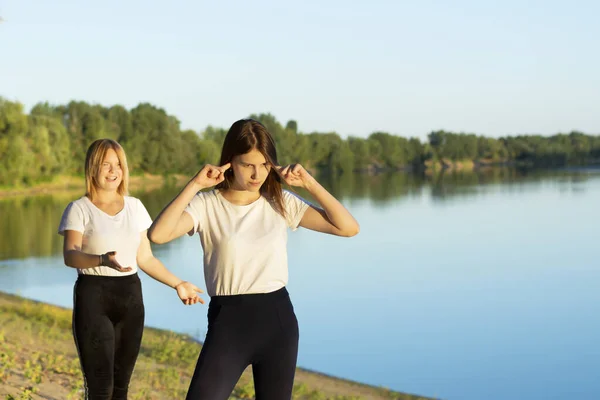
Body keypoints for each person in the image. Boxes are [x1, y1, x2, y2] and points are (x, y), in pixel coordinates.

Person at [148, 118, 360, 399]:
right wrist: (194, 185)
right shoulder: (207, 204)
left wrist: (309, 183)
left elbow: (348, 228)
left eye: (263, 164)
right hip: (228, 321)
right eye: (248, 164)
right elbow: (158, 235)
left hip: (277, 320)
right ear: (230, 162)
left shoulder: (280, 201)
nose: (256, 173)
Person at [58, 139, 204, 400]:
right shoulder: (79, 209)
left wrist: (178, 284)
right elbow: (71, 256)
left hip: (130, 298)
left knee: (122, 388)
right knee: (101, 388)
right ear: (92, 168)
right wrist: (101, 260)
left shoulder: (135, 207)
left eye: (118, 165)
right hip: (93, 297)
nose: (113, 171)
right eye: (106, 165)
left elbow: (146, 258)